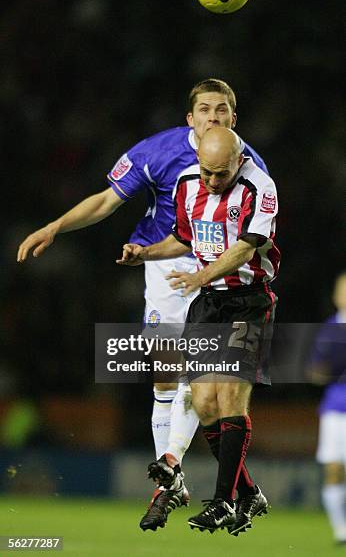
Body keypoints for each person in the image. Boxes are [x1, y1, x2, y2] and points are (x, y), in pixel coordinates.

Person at [16, 78, 269, 532]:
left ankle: (170, 473)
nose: (215, 117)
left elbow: (257, 238)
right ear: (190, 118)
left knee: (204, 387)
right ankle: (193, 480)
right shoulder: (159, 151)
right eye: (206, 110)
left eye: (223, 110)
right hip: (165, 261)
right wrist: (56, 226)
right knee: (166, 373)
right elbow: (107, 201)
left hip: (219, 276)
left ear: (234, 117)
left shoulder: (249, 166)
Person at [117, 126, 280, 534]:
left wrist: (201, 274)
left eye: (219, 174)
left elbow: (246, 246)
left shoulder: (260, 187)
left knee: (230, 397)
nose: (210, 180)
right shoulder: (189, 183)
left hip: (249, 300)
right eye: (206, 171)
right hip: (208, 304)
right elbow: (182, 237)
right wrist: (146, 253)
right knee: (203, 403)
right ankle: (249, 494)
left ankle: (223, 501)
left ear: (238, 162)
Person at [306, 272, 346, 546]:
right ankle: (341, 529)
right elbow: (315, 372)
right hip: (336, 408)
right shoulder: (330, 329)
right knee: (334, 469)